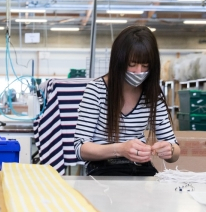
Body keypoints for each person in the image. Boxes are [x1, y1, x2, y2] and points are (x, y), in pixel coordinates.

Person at [73, 25, 180, 176]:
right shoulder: (96, 90)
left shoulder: (152, 94)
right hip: (103, 169)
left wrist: (169, 149)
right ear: (119, 61)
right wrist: (120, 149)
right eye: (132, 65)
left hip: (141, 168)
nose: (139, 72)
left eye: (145, 66)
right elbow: (80, 148)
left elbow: (174, 148)